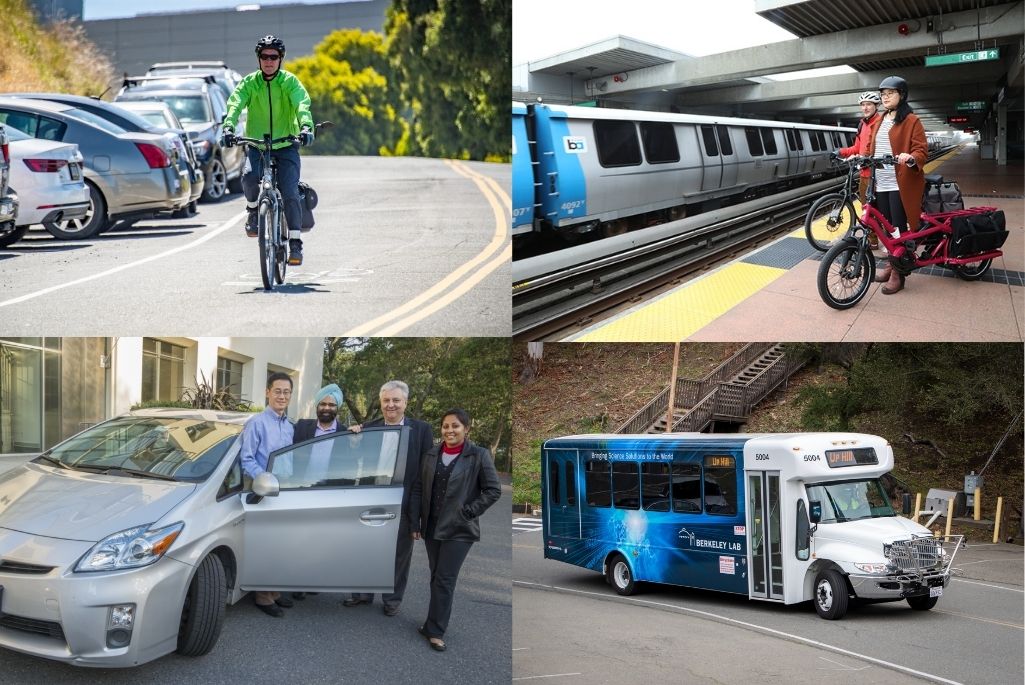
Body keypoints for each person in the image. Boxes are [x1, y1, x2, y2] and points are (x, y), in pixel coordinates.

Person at [409, 409, 501, 652]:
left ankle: (436, 631)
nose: (449, 430)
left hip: (459, 528)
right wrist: (415, 522)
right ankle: (431, 624)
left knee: (445, 578)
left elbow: (493, 490)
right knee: (436, 576)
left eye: (455, 426)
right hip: (432, 526)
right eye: (445, 426)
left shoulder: (478, 455)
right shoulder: (431, 454)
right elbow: (418, 488)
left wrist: (468, 512)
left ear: (466, 429)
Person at [221, 35, 315, 266]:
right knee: (248, 177)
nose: (269, 61)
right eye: (264, 56)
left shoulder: (289, 82)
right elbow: (235, 104)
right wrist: (228, 127)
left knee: (290, 191)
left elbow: (301, 104)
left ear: (280, 58)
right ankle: (254, 211)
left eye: (273, 57)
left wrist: (306, 126)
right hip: (257, 145)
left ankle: (295, 242)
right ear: (259, 59)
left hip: (286, 145)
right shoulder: (250, 83)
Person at [343, 380, 434, 616]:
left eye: (396, 400)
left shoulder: (421, 430)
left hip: (404, 502)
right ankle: (362, 594)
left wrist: (419, 514)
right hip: (371, 499)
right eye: (386, 400)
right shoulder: (368, 428)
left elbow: (425, 472)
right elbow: (353, 461)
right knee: (365, 549)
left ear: (405, 402)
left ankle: (392, 600)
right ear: (381, 402)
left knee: (399, 555)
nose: (390, 405)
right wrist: (352, 440)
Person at [864, 75, 927, 295]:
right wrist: (860, 157)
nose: (885, 97)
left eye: (890, 93)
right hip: (881, 183)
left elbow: (921, 150)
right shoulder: (881, 119)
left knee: (898, 228)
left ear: (902, 95)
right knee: (887, 228)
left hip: (900, 184)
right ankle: (892, 263)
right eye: (883, 94)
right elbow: (871, 147)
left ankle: (898, 274)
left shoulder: (911, 120)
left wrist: (910, 157)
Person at [240, 371, 296, 617]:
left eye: (286, 392)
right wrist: (265, 479)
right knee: (267, 544)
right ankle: (262, 596)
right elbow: (247, 459)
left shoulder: (289, 426)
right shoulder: (257, 423)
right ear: (267, 392)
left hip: (286, 491)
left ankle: (273, 590)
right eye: (278, 391)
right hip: (264, 491)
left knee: (282, 544)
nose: (282, 396)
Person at [289, 382, 343, 600]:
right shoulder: (302, 427)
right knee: (300, 539)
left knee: (322, 541)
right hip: (302, 492)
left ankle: (313, 579)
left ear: (337, 408)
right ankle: (296, 583)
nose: (327, 408)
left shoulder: (346, 433)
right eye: (323, 404)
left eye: (331, 404)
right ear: (317, 406)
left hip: (329, 495)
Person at [838, 91, 883, 248]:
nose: (865, 108)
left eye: (869, 104)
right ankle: (872, 240)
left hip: (878, 174)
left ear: (876, 106)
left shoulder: (881, 123)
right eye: (863, 105)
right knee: (866, 208)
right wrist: (840, 152)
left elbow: (882, 147)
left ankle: (891, 241)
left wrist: (867, 156)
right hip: (864, 174)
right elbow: (857, 147)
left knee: (882, 209)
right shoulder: (862, 124)